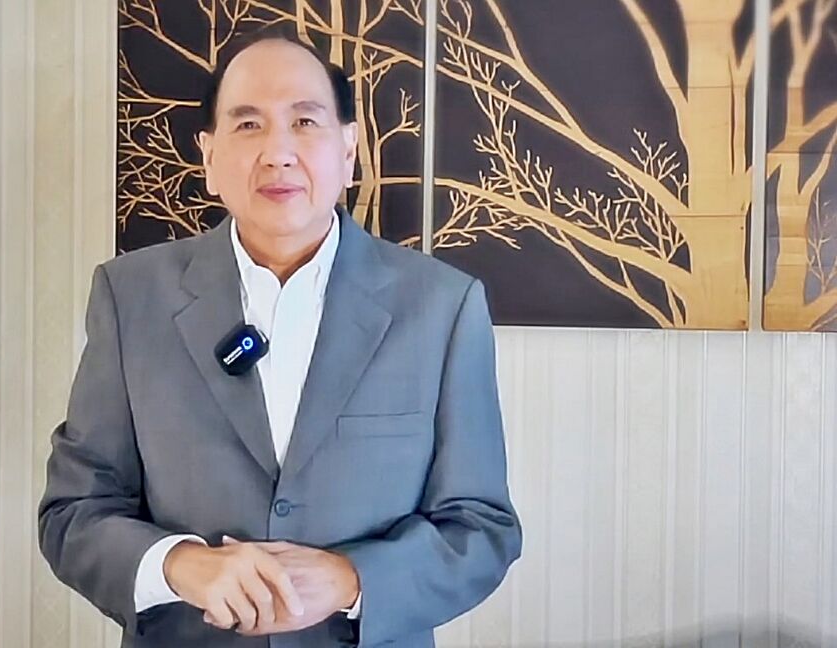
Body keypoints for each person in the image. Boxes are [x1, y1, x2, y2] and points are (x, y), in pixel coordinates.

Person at [38, 27, 522, 648]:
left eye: (304, 122)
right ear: (209, 157)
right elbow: (73, 513)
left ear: (348, 149)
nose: (278, 152)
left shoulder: (441, 307)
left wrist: (350, 580)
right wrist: (179, 565)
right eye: (248, 125)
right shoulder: (130, 297)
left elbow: (481, 527)